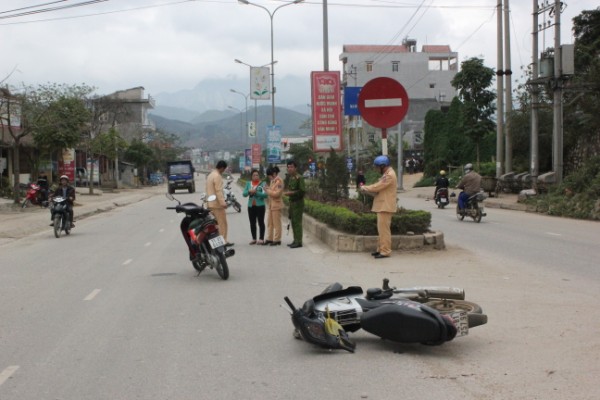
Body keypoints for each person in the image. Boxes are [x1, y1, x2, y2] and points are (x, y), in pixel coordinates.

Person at [360, 155, 398, 259]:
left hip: (385, 206)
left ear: (382, 166)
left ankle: (385, 251)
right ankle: (380, 249)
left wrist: (366, 187)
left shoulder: (389, 175)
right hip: (383, 205)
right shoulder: (387, 173)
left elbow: (378, 186)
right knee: (381, 230)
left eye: (377, 167)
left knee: (384, 230)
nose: (376, 169)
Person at [206, 160, 233, 246]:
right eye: (224, 169)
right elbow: (218, 191)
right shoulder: (217, 176)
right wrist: (223, 203)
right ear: (222, 168)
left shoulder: (210, 175)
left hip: (210, 203)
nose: (223, 171)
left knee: (215, 224)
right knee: (222, 224)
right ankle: (223, 241)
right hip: (217, 205)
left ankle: (217, 241)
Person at [242, 169, 267, 245]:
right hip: (251, 206)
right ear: (251, 176)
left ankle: (261, 239)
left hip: (260, 205)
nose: (256, 176)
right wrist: (249, 191)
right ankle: (254, 238)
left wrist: (256, 192)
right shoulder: (248, 183)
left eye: (257, 175)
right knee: (252, 222)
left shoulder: (263, 184)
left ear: (259, 176)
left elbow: (265, 195)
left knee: (261, 222)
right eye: (254, 175)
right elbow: (244, 194)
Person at [284, 160, 305, 249]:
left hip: (298, 202)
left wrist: (292, 193)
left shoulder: (299, 178)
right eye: (288, 167)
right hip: (292, 203)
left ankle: (299, 241)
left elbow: (302, 191)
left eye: (291, 167)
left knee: (297, 222)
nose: (290, 169)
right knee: (293, 222)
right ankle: (295, 240)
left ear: (295, 168)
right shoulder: (291, 178)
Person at [264, 166, 283, 246]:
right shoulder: (273, 181)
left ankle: (277, 239)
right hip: (271, 205)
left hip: (276, 205)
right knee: (270, 223)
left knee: (276, 223)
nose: (269, 177)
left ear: (274, 174)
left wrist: (267, 190)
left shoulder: (279, 181)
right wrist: (268, 188)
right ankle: (270, 238)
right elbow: (272, 190)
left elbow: (277, 194)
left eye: (269, 175)